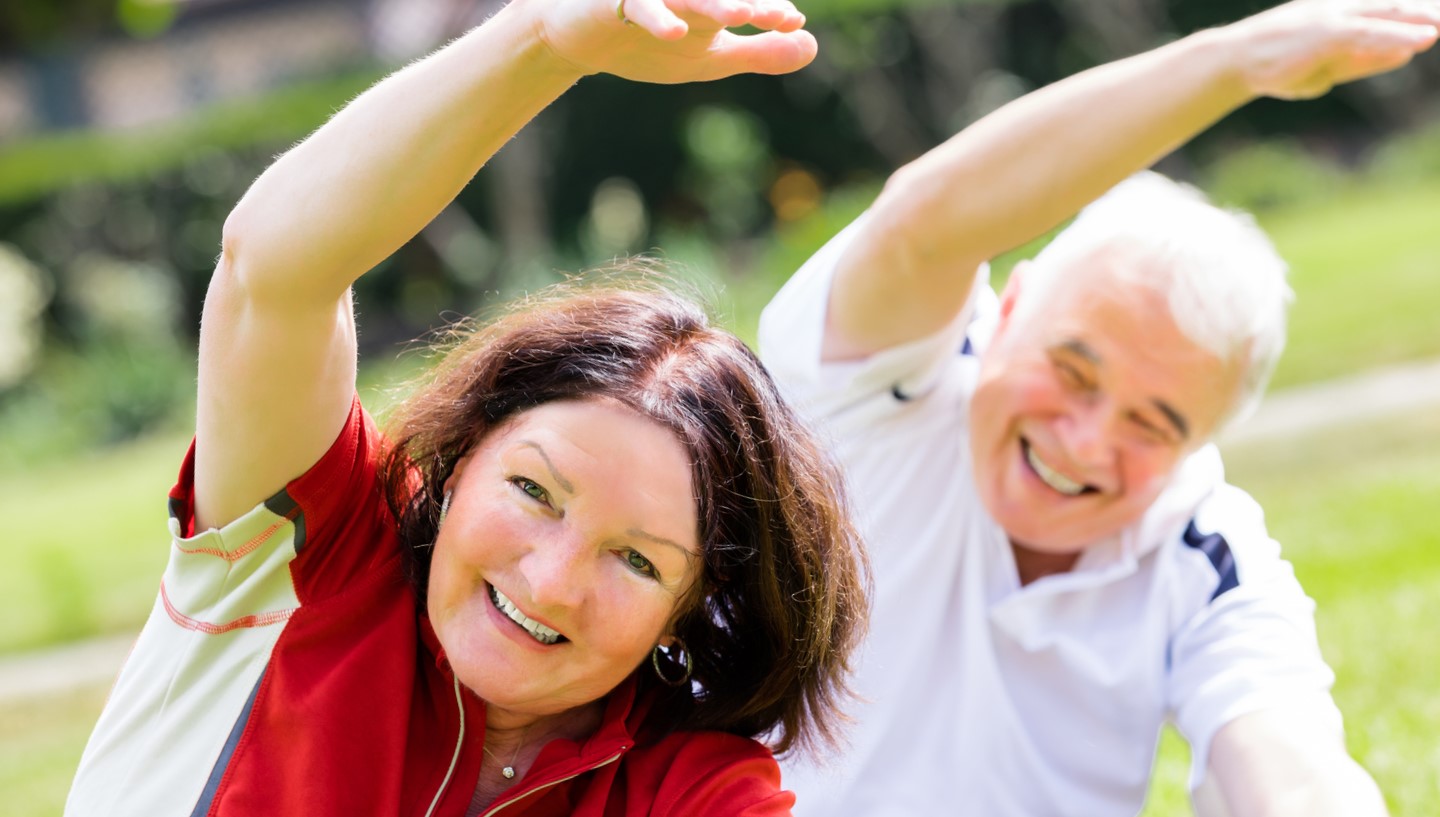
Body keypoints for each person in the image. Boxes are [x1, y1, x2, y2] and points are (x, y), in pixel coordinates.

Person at [64, 1, 869, 816]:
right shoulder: (314, 549)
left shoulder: (687, 789)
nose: (551, 583)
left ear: (688, 608)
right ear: (462, 457)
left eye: (637, 560)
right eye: (534, 491)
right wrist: (541, 41)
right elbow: (270, 267)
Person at [759, 1, 1440, 815]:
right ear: (1010, 307)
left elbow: (1287, 762)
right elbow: (921, 226)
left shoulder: (1199, 545)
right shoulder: (881, 393)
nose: (1084, 442)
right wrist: (1234, 61)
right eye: (1073, 371)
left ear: (1201, 446)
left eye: (1153, 424)